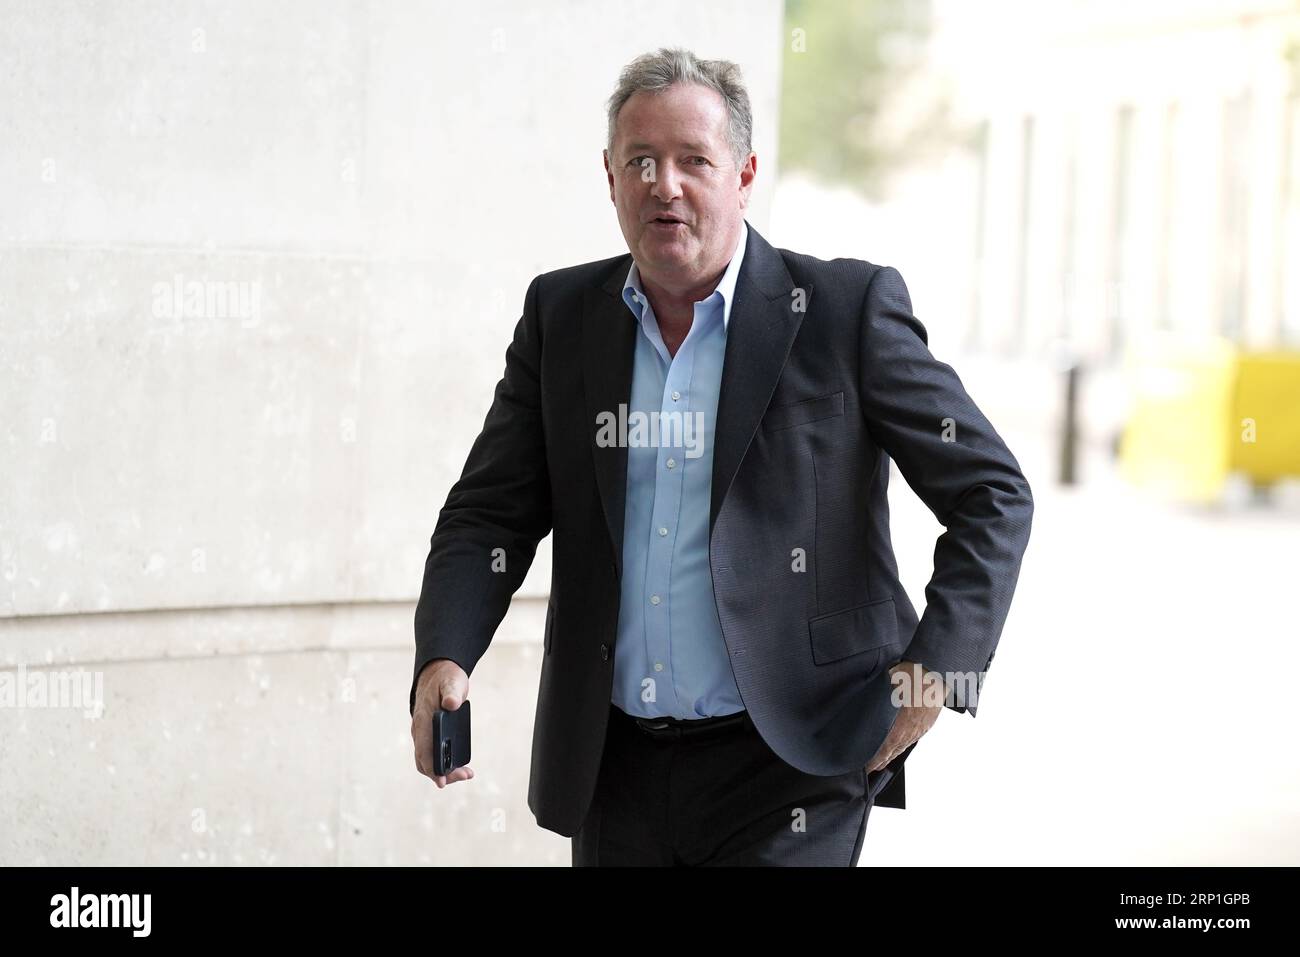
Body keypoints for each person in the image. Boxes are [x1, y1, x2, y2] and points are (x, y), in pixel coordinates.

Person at [409, 47, 1034, 866]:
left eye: (692, 160)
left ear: (743, 174)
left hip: (791, 765)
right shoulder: (562, 317)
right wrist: (445, 654)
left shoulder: (844, 311)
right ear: (609, 177)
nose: (663, 184)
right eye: (640, 160)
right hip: (613, 766)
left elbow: (991, 490)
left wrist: (937, 673)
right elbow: (489, 510)